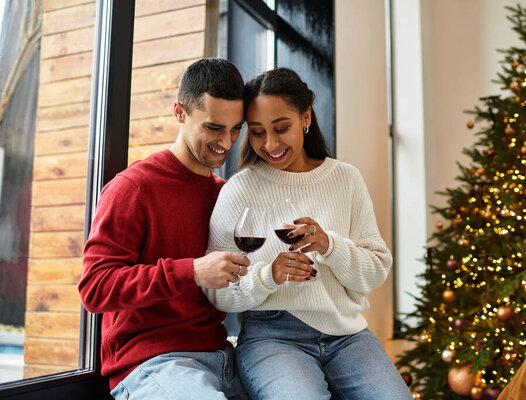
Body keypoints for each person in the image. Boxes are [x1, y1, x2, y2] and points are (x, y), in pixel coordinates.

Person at [205, 68, 413, 400]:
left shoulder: (345, 179)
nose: (270, 144)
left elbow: (375, 271)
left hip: (347, 335)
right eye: (257, 132)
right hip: (272, 336)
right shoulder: (240, 190)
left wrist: (331, 245)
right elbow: (217, 293)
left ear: (306, 117)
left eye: (281, 128)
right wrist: (268, 275)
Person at [79, 58, 251, 400]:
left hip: (222, 358)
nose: (227, 141)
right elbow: (95, 289)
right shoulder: (133, 188)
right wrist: (192, 271)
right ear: (180, 113)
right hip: (152, 363)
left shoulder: (224, 193)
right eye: (214, 127)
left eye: (236, 129)